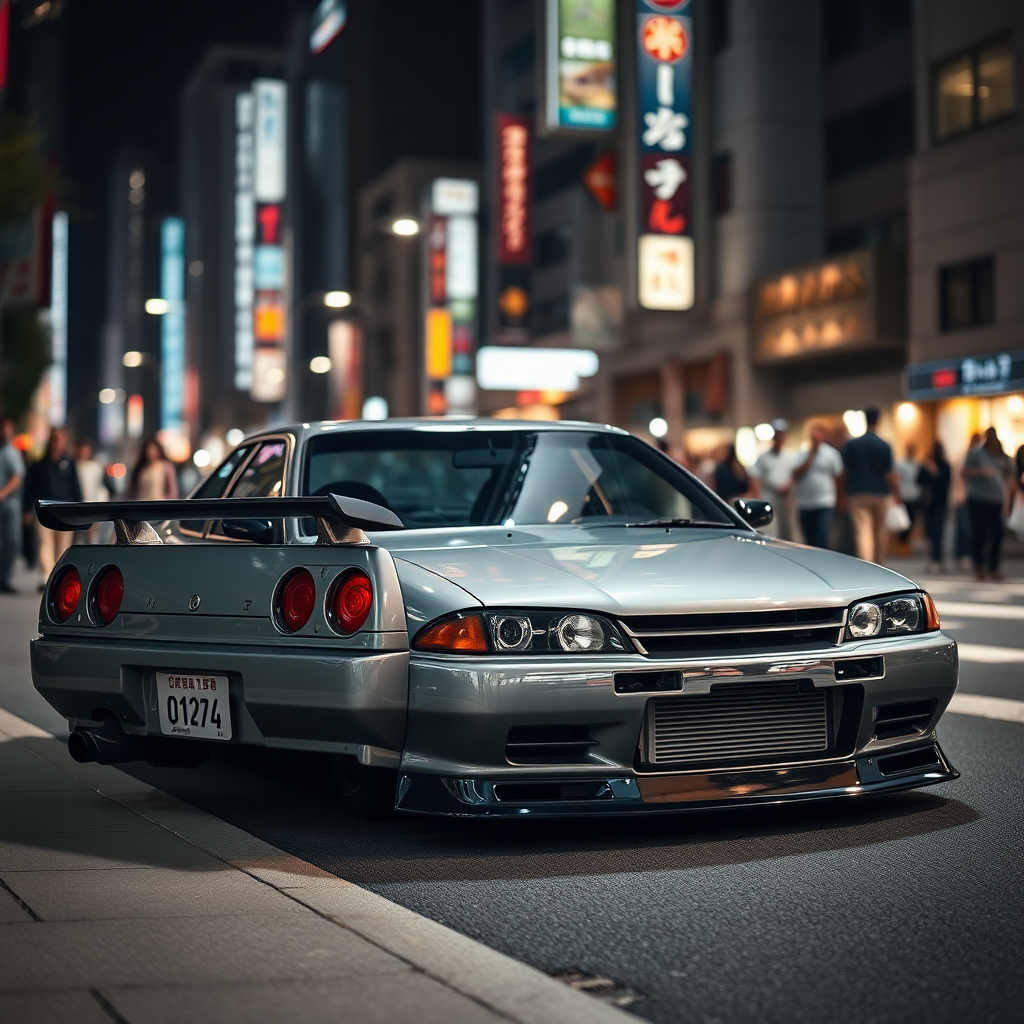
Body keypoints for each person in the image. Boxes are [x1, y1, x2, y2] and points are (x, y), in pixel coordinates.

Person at [22, 429, 82, 586]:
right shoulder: (39, 465)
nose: (57, 444)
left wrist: (80, 510)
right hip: (44, 509)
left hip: (66, 509)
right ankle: (46, 575)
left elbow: (76, 487)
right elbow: (29, 488)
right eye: (55, 440)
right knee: (44, 542)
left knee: (63, 543)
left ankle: (60, 574)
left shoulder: (69, 464)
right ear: (50, 442)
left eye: (61, 440)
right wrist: (27, 510)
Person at [842, 407, 898, 564]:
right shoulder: (884, 445)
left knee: (862, 533)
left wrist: (842, 496)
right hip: (880, 493)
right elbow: (890, 474)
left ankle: (867, 566)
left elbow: (845, 472)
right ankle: (880, 566)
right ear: (878, 421)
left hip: (857, 493)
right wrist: (897, 495)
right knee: (880, 532)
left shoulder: (852, 445)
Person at [962, 426, 1011, 581]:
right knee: (980, 533)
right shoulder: (976, 453)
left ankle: (994, 567)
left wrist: (1007, 502)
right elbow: (964, 472)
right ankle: (980, 566)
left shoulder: (1002, 456)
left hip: (996, 500)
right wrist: (980, 472)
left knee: (997, 533)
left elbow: (1008, 479)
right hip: (978, 499)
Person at [791, 421, 844, 549]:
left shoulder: (832, 454)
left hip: (824, 502)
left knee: (823, 537)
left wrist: (841, 498)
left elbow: (839, 477)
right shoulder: (803, 454)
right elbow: (795, 474)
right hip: (805, 504)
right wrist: (810, 457)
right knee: (809, 540)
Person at [749, 418, 794, 539]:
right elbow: (754, 476)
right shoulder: (763, 457)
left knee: (788, 533)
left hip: (785, 501)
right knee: (772, 534)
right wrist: (757, 499)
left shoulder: (790, 456)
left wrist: (788, 488)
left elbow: (795, 476)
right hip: (770, 501)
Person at [917, 440, 951, 573]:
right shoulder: (925, 464)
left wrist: (934, 472)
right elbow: (918, 480)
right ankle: (934, 557)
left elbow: (945, 482)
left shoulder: (945, 466)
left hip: (940, 503)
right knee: (930, 532)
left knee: (938, 531)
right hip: (927, 503)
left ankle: (937, 559)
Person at [0, 417, 25, 594]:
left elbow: (17, 477)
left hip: (10, 504)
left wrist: (2, 494)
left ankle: (4, 578)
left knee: (12, 542)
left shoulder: (12, 452)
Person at [74, 438, 109, 544]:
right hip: (76, 507)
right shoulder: (73, 466)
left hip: (92, 507)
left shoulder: (95, 467)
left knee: (91, 537)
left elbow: (100, 488)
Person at [127, 436, 179, 501]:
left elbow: (172, 491)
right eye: (149, 450)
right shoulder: (142, 469)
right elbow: (133, 490)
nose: (151, 452)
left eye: (153, 450)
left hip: (159, 504)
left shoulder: (166, 467)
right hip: (141, 503)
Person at [894, 443, 922, 546]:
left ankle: (906, 543)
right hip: (904, 496)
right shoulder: (900, 464)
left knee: (911, 521)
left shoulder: (916, 464)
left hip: (914, 496)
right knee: (902, 522)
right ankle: (901, 543)